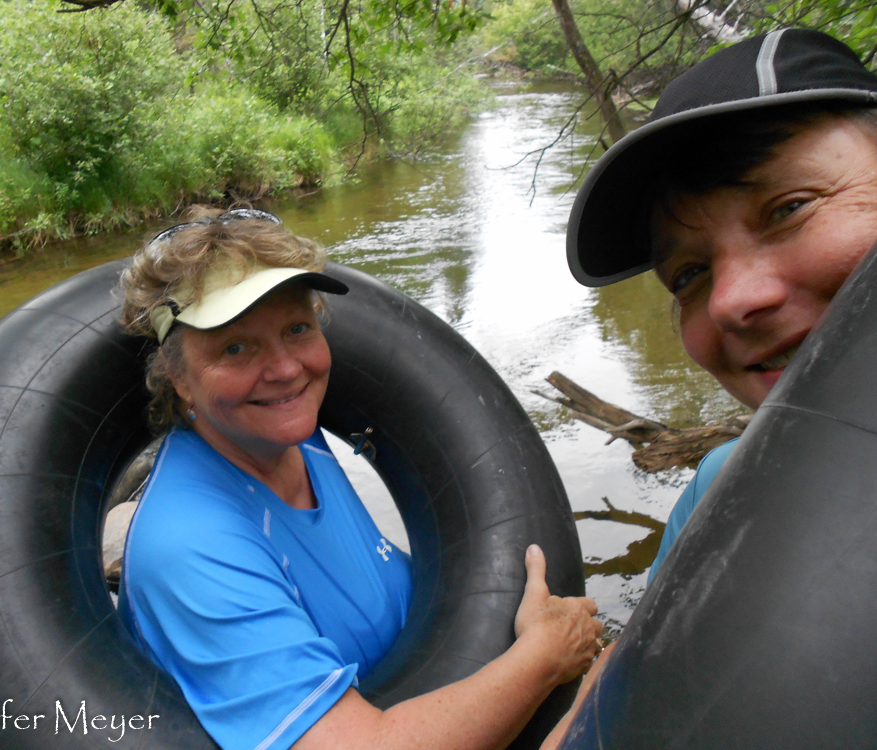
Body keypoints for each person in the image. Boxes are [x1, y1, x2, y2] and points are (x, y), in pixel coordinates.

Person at [117, 205, 604, 750]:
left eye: (296, 329)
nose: (284, 369)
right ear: (178, 377)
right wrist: (540, 659)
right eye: (235, 347)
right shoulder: (188, 546)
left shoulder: (296, 438)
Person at [541, 27, 877, 747]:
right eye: (690, 274)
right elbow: (619, 686)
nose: (730, 302)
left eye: (789, 207)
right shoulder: (719, 487)